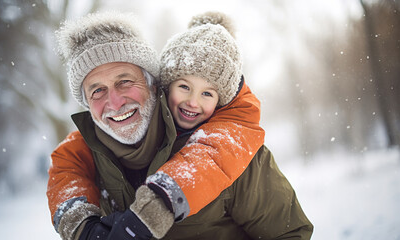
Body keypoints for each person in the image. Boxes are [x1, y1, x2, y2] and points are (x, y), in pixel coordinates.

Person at [47, 11, 313, 240]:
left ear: (154, 83)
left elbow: (290, 233)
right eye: (97, 91)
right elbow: (64, 170)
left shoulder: (231, 152)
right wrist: (81, 227)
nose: (115, 103)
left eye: (125, 81)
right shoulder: (85, 162)